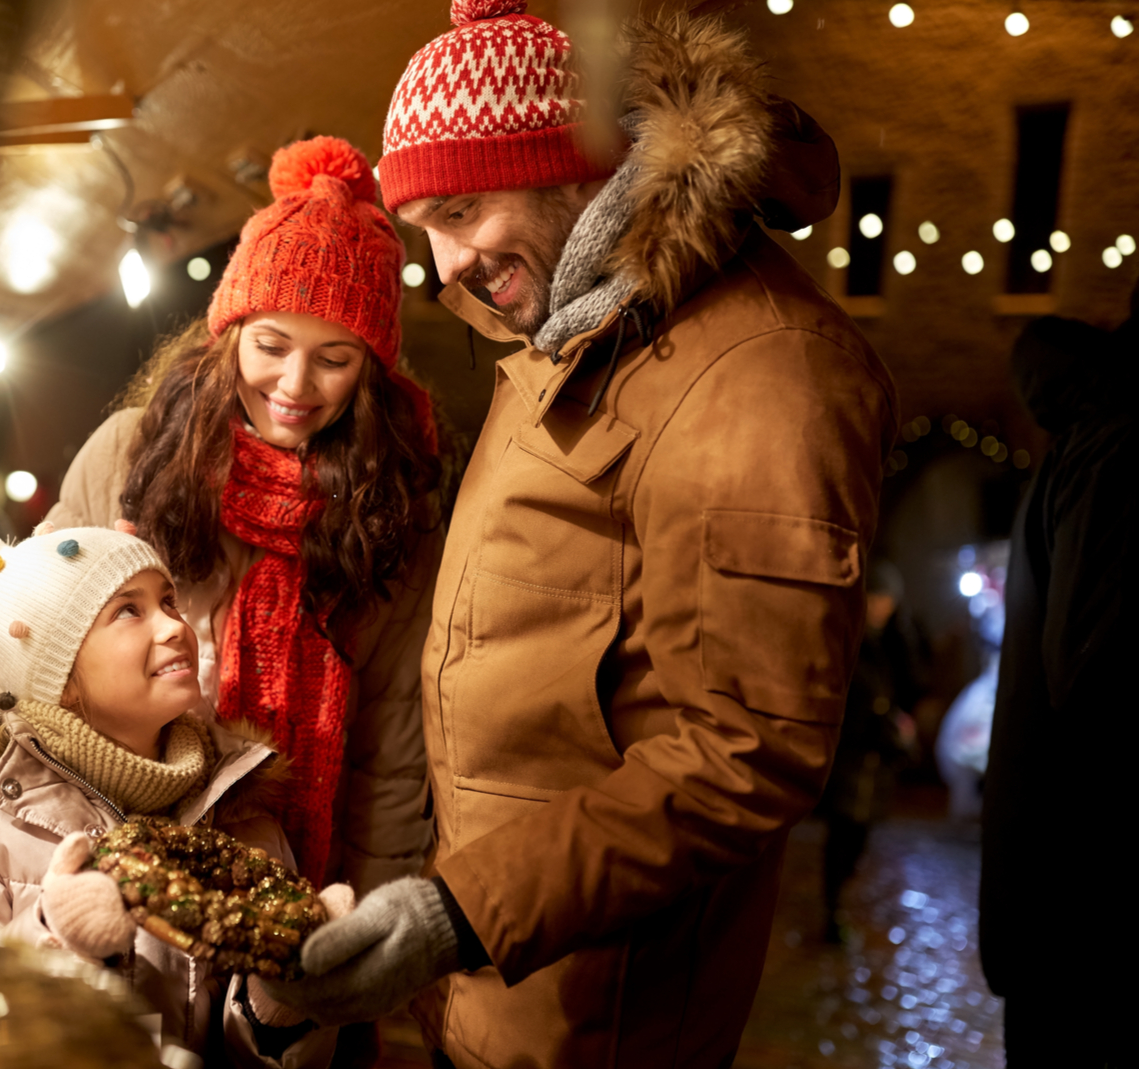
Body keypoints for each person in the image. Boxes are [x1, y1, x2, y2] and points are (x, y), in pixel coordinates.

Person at [267, 5, 897, 1066]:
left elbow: (742, 751)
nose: (444, 267)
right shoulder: (568, 333)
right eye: (423, 224)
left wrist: (454, 912)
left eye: (463, 209)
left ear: (571, 172)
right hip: (501, 988)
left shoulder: (762, 368)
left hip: (599, 1018)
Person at [45, 136, 442, 900]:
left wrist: (371, 918)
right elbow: (32, 662)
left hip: (298, 879)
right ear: (229, 335)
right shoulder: (129, 455)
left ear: (372, 368)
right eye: (271, 344)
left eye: (335, 358)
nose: (296, 384)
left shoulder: (392, 510)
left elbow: (390, 749)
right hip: (107, 854)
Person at [0, 525, 352, 1066]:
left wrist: (280, 1005)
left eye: (168, 601)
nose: (175, 625)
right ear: (62, 679)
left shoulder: (239, 811)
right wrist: (57, 933)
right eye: (129, 610)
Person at [980, 290, 1133, 1067]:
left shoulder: (1102, 436)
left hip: (1069, 918)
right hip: (1087, 930)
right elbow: (1101, 692)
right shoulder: (1117, 444)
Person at [820, 561, 919, 943]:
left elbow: (911, 682)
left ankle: (836, 906)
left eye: (888, 600)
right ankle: (831, 912)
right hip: (851, 755)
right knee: (843, 837)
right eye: (876, 597)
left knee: (857, 838)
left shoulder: (894, 641)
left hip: (876, 758)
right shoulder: (851, 639)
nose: (883, 606)